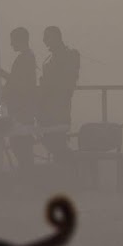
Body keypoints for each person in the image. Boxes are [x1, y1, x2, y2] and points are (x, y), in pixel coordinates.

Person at [0, 27, 38, 171]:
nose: (11, 44)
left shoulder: (26, 58)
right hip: (22, 108)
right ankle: (27, 175)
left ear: (20, 40)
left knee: (20, 143)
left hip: (22, 109)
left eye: (13, 40)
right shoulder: (26, 57)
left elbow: (21, 83)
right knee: (20, 143)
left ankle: (27, 176)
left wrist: (2, 74)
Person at [38, 26, 80, 163]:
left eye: (47, 37)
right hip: (47, 109)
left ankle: (71, 168)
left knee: (57, 143)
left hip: (59, 108)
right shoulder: (49, 59)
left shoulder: (70, 54)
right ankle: (67, 169)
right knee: (51, 141)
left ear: (56, 37)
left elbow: (68, 81)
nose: (44, 40)